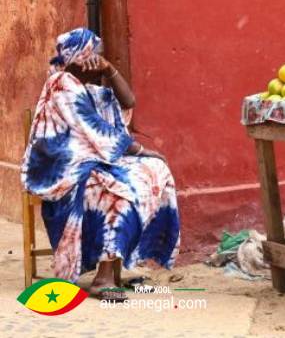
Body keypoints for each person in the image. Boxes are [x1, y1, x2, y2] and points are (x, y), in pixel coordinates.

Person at [21, 28, 180, 301]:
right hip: (61, 169)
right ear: (80, 57)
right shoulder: (61, 83)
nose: (99, 57)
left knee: (154, 172)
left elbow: (128, 101)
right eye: (95, 53)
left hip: (92, 161)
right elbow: (95, 129)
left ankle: (122, 259)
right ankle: (103, 278)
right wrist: (142, 150)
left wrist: (110, 70)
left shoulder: (93, 90)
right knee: (116, 189)